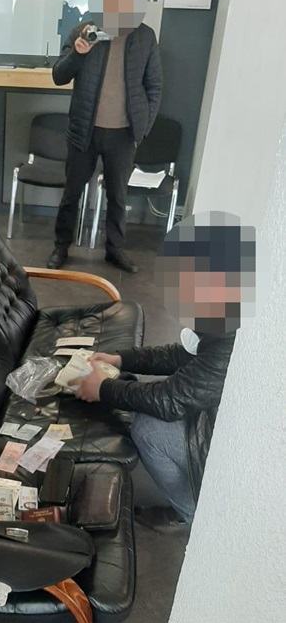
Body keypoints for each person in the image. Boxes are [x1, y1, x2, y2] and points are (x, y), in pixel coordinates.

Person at [69, 214, 254, 530]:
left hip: (241, 446)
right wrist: (121, 359)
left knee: (149, 429)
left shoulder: (232, 336)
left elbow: (170, 401)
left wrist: (103, 389)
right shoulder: (229, 309)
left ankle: (192, 516)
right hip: (226, 414)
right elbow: (182, 355)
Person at [47, 0, 163, 274]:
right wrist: (78, 53)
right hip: (84, 130)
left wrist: (143, 127)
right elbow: (59, 75)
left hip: (124, 134)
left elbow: (154, 86)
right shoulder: (83, 31)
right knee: (71, 194)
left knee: (118, 197)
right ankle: (61, 247)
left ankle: (115, 250)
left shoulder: (145, 37)